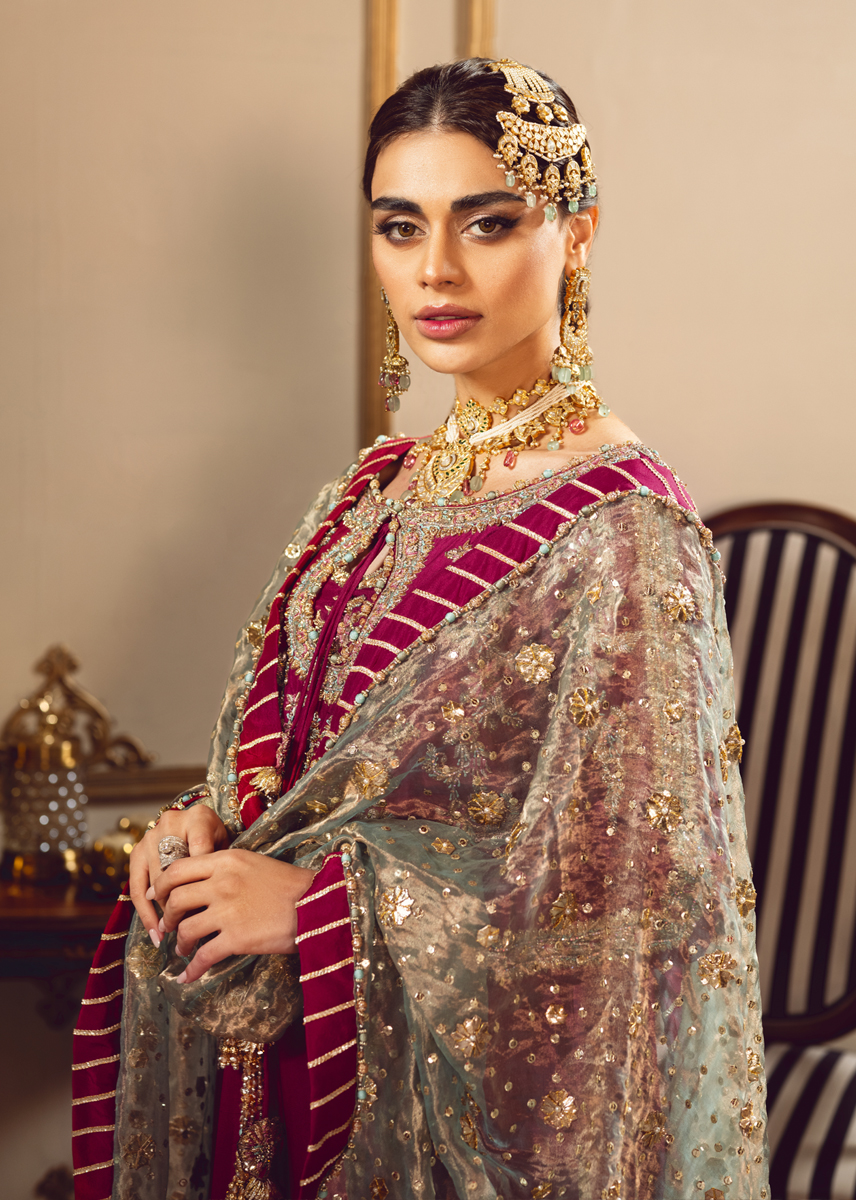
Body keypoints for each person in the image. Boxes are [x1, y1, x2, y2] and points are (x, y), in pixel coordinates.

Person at [72, 57, 769, 1200]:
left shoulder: (623, 531)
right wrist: (206, 823)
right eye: (400, 227)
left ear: (578, 233)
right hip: (283, 1073)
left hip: (434, 1129)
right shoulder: (374, 489)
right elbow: (325, 768)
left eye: (485, 223)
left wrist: (321, 911)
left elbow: (643, 916)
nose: (434, 270)